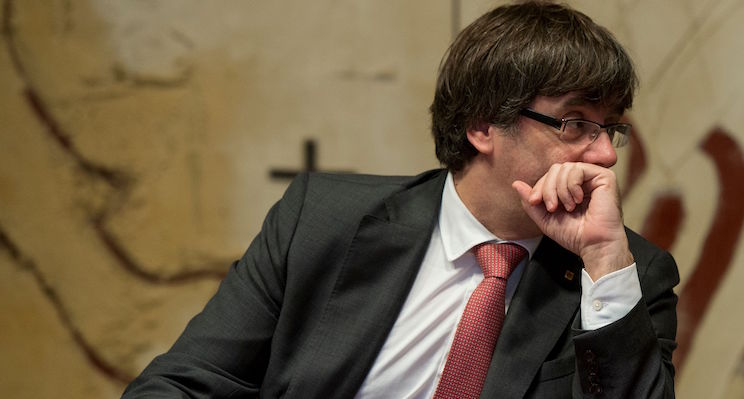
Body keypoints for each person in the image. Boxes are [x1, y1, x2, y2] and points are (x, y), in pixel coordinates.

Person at [122, 1, 679, 398]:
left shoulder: (628, 277)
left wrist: (603, 257)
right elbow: (183, 384)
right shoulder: (321, 222)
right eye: (577, 123)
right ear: (483, 125)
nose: (605, 155)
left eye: (612, 129)